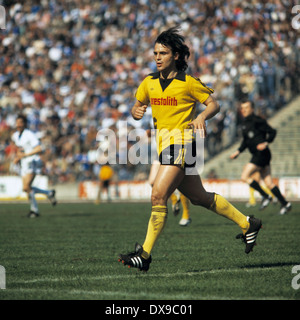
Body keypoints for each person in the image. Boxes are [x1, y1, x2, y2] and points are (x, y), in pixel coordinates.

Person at [118, 27, 262, 272]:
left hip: (183, 144)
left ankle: (144, 255)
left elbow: (213, 104)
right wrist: (135, 111)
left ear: (175, 55)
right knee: (199, 197)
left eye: (162, 53)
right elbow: (137, 105)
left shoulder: (188, 83)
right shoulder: (148, 82)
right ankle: (248, 223)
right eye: (155, 53)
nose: (157, 57)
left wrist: (202, 117)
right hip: (164, 146)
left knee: (158, 195)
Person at [230, 99, 291, 215]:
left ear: (252, 109)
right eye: (242, 108)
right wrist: (238, 152)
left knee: (244, 176)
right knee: (269, 182)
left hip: (262, 154)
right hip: (259, 155)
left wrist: (266, 142)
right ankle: (285, 204)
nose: (244, 110)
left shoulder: (258, 121)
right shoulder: (244, 124)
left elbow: (273, 132)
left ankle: (266, 196)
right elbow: (246, 141)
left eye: (246, 108)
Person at [11, 114, 57, 218]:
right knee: (26, 188)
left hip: (32, 162)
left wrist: (25, 155)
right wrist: (18, 157)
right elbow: (20, 149)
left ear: (25, 124)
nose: (18, 124)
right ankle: (49, 193)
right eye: (17, 122)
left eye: (21, 122)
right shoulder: (15, 135)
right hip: (24, 163)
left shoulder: (29, 134)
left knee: (27, 187)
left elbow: (39, 148)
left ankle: (34, 211)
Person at [148, 160, 191, 226]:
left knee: (182, 184)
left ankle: (186, 214)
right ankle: (174, 198)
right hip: (160, 153)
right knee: (152, 181)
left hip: (177, 154)